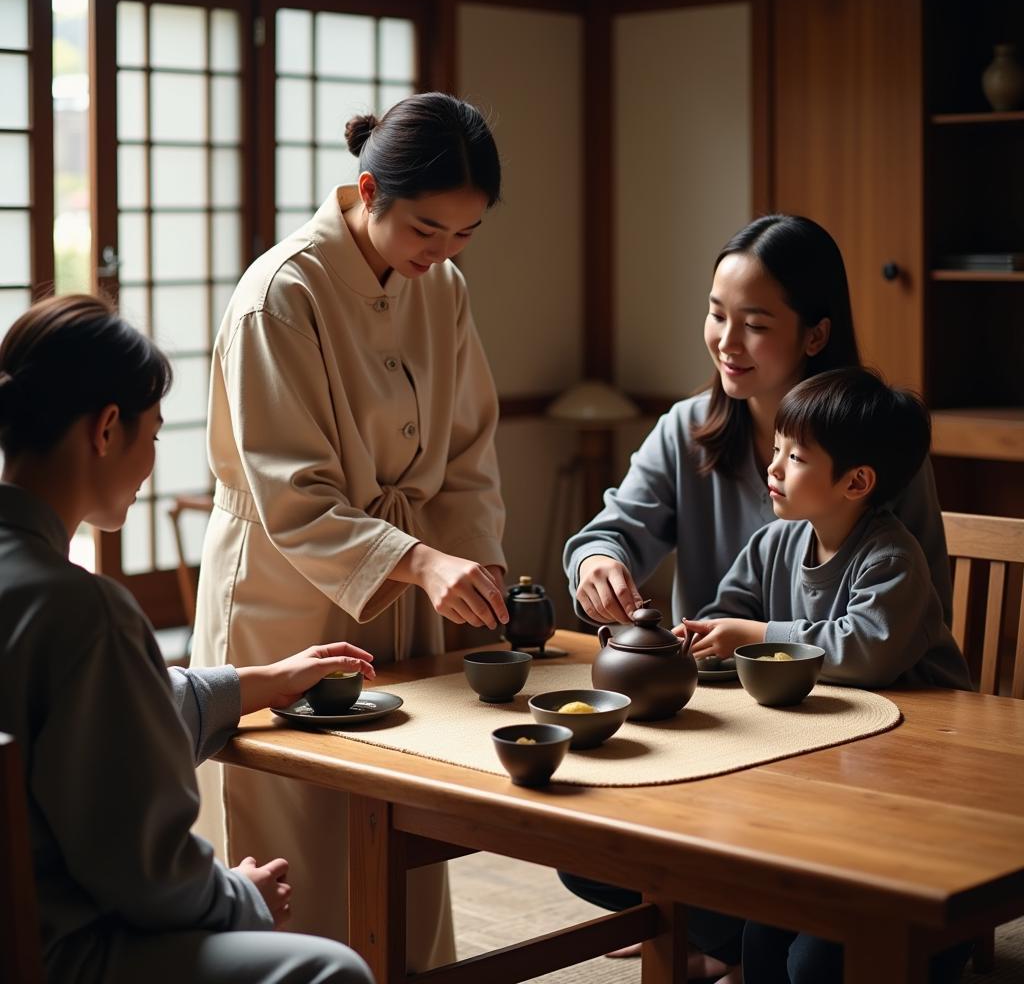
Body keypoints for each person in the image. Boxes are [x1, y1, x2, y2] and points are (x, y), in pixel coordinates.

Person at [559, 214, 954, 983]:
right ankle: (741, 934)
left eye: (755, 324)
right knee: (588, 845)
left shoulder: (873, 452)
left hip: (870, 739)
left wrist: (756, 635)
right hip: (750, 738)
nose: (725, 342)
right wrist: (599, 564)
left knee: (799, 938)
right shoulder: (689, 432)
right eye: (716, 314)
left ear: (815, 335)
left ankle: (749, 935)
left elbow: (892, 630)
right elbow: (612, 530)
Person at [191, 92, 509, 965]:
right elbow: (292, 492)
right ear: (368, 190)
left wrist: (473, 576)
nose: (441, 254)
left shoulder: (440, 288)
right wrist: (419, 561)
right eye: (426, 230)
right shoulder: (281, 294)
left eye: (463, 235)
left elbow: (470, 452)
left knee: (397, 832)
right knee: (295, 840)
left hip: (397, 588)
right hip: (284, 593)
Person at [0, 294, 375, 984]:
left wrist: (258, 682)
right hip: (53, 952)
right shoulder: (82, 609)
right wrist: (242, 896)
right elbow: (144, 873)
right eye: (155, 435)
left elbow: (99, 716)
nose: (151, 462)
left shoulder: (36, 592)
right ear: (107, 429)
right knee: (333, 970)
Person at [681, 367, 970, 983]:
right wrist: (702, 638)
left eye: (795, 457)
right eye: (777, 450)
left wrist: (753, 636)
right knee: (762, 929)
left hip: (916, 777)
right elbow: (728, 614)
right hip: (830, 758)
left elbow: (864, 652)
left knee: (817, 963)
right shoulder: (775, 544)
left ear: (856, 482)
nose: (774, 467)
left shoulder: (892, 557)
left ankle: (935, 944)